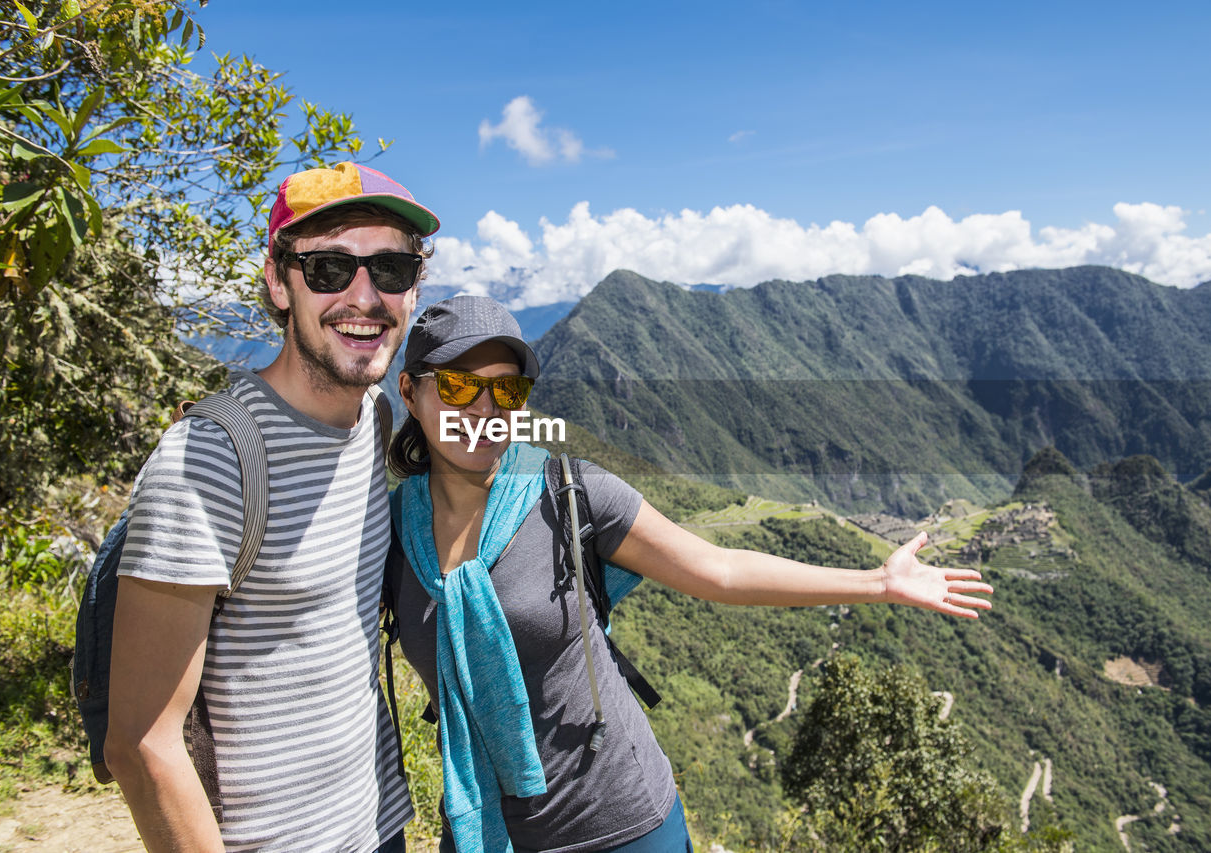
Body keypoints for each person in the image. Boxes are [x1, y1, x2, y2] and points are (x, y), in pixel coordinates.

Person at [385, 295, 995, 853]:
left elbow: (720, 570)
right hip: (483, 831)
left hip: (619, 824)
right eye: (462, 386)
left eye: (508, 391)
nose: (486, 410)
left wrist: (877, 583)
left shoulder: (569, 493)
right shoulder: (386, 533)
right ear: (410, 393)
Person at [105, 161, 439, 853]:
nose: (364, 296)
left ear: (414, 288)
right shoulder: (208, 460)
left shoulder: (373, 418)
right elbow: (141, 746)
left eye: (391, 270)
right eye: (327, 269)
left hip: (378, 825)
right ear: (277, 280)